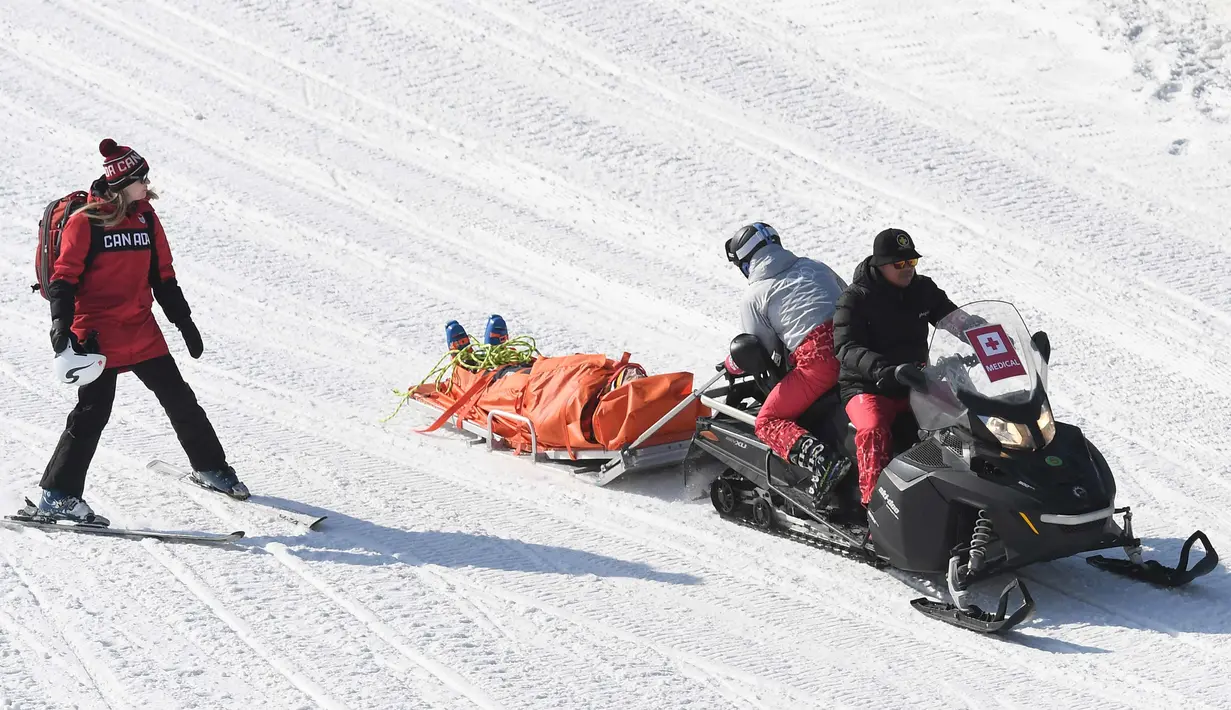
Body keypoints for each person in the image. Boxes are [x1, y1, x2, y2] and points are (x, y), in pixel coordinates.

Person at [38, 138, 247, 526]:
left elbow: (163, 275)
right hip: (96, 335)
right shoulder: (86, 221)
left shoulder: (146, 218)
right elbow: (64, 279)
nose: (147, 185)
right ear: (121, 184)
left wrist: (183, 321)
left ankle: (210, 467)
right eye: (141, 179)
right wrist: (60, 326)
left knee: (181, 401)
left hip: (141, 330)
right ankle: (58, 494)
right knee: (92, 413)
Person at [833, 228, 962, 508]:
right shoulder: (855, 298)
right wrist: (882, 369)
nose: (907, 270)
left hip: (916, 381)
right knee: (874, 428)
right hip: (867, 386)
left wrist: (988, 335)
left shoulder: (923, 290)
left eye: (911, 262)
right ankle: (874, 508)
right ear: (880, 265)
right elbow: (846, 348)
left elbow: (953, 319)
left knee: (962, 417)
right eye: (899, 264)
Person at [722, 222, 850, 501]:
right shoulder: (816, 266)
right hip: (855, 349)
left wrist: (731, 365)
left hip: (820, 364)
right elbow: (849, 296)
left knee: (767, 421)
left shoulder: (755, 295)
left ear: (746, 262)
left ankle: (823, 462)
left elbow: (759, 349)